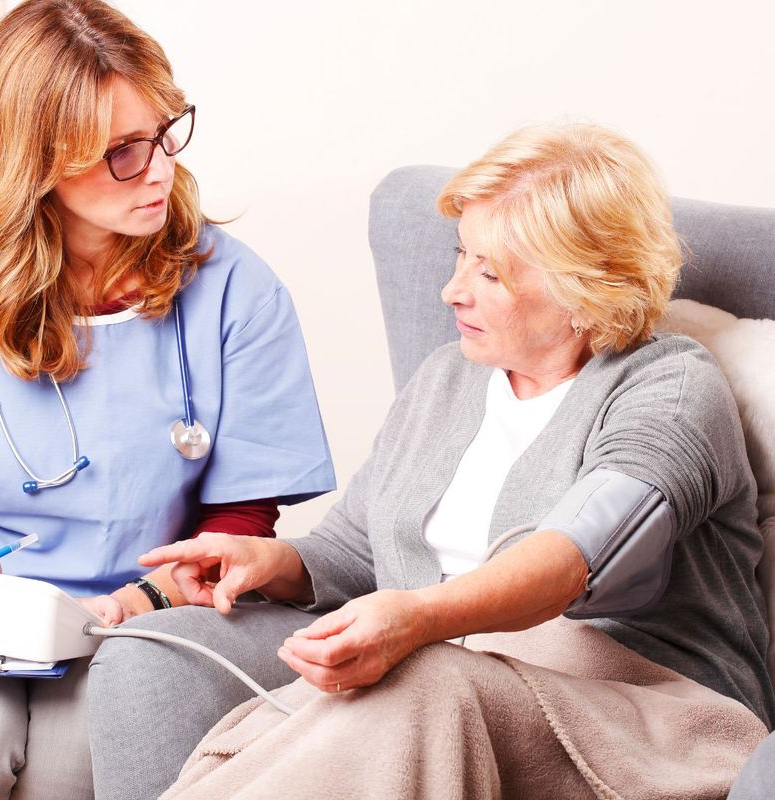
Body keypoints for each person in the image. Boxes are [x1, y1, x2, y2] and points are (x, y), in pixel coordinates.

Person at [89, 123, 772, 800]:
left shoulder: (671, 386)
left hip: (643, 720)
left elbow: (572, 558)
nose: (452, 291)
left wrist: (419, 620)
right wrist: (277, 565)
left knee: (424, 675)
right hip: (447, 701)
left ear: (584, 286)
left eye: (490, 271)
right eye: (459, 256)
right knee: (407, 682)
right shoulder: (449, 377)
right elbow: (357, 552)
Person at [0, 1, 335, 798]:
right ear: (35, 162)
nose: (161, 168)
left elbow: (242, 520)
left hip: (141, 615)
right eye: (120, 154)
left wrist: (150, 596)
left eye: (165, 133)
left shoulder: (236, 290)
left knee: (77, 767)